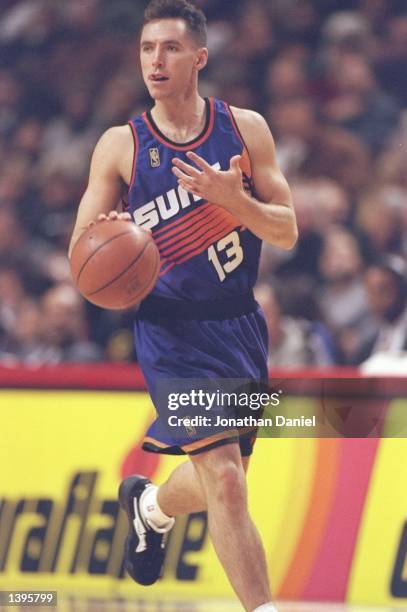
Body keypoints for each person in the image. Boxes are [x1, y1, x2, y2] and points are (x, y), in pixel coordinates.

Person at [68, 1, 297, 610]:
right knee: (224, 478)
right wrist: (108, 237)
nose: (156, 61)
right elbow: (82, 261)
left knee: (225, 481)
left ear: (199, 57)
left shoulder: (245, 129)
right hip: (170, 331)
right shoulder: (121, 145)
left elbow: (286, 231)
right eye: (147, 49)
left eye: (169, 48)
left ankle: (149, 506)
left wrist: (234, 199)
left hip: (239, 323)